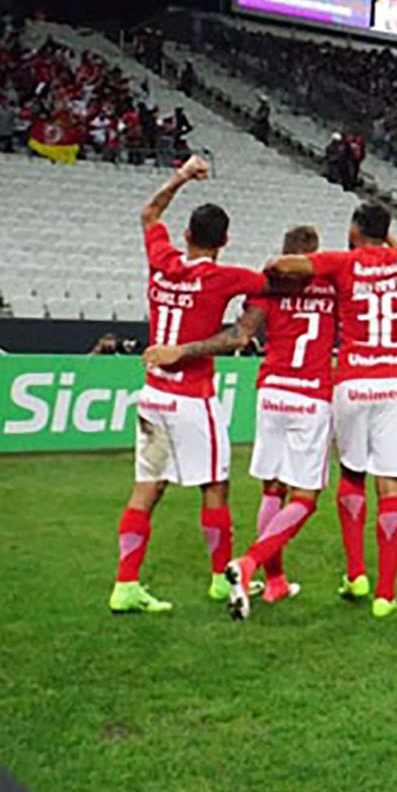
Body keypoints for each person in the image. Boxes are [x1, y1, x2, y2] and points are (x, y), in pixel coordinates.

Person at [106, 156, 272, 615]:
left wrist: (181, 176)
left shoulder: (161, 260)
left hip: (153, 395)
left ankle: (125, 585)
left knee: (147, 489)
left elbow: (148, 214)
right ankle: (221, 579)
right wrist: (237, 331)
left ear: (186, 236)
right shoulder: (226, 277)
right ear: (224, 243)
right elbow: (265, 293)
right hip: (192, 400)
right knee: (215, 485)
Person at [151, 225, 336, 619]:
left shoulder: (265, 288)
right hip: (310, 394)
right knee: (305, 496)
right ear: (312, 254)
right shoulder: (329, 285)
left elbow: (241, 334)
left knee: (272, 488)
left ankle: (276, 583)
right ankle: (250, 563)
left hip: (271, 392)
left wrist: (182, 349)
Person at [260, 201, 397, 620]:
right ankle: (385, 595)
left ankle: (356, 574)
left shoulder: (340, 263)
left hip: (352, 380)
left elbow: (281, 265)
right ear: (385, 232)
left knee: (352, 475)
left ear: (353, 231)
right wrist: (385, 236)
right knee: (393, 487)